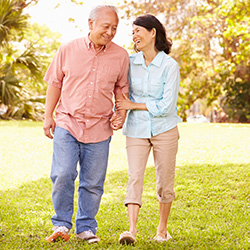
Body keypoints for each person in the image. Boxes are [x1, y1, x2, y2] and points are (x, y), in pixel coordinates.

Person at [43, 5, 129, 244]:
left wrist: (119, 113)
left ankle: (86, 228)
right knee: (63, 173)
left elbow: (121, 90)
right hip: (67, 122)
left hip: (100, 128)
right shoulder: (68, 49)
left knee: (93, 182)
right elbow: (55, 83)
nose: (110, 32)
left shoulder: (121, 56)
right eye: (106, 26)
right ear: (91, 24)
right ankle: (61, 224)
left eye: (114, 28)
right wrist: (48, 116)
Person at [116, 14, 182, 245]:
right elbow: (121, 91)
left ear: (153, 32)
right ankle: (131, 231)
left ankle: (162, 230)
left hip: (165, 129)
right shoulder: (129, 62)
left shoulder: (169, 66)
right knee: (134, 177)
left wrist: (133, 105)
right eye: (132, 32)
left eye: (138, 31)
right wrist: (120, 112)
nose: (134, 35)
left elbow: (166, 106)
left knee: (164, 181)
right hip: (136, 128)